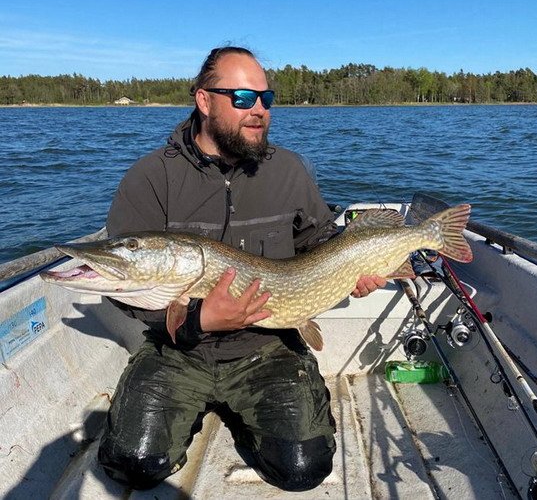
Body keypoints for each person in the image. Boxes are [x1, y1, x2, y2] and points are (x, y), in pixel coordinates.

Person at [98, 46, 386, 492]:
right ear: (204, 100)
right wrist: (198, 321)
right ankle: (190, 408)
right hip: (178, 350)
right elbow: (125, 283)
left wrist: (357, 267)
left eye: (265, 99)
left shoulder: (288, 170)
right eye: (242, 98)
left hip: (267, 348)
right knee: (132, 466)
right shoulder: (150, 177)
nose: (258, 111)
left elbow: (322, 243)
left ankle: (251, 410)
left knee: (303, 470)